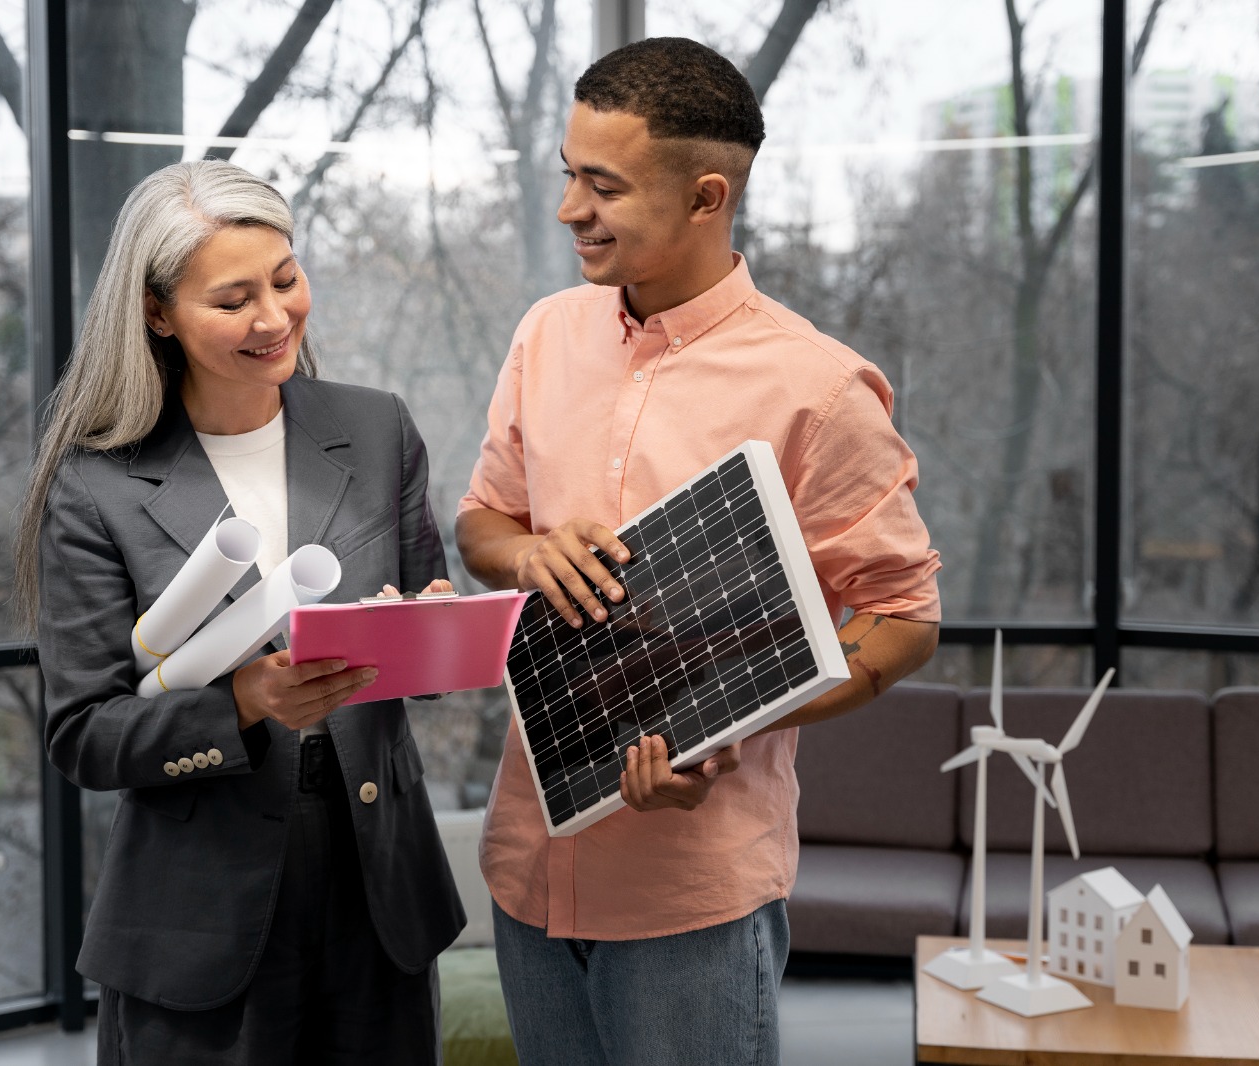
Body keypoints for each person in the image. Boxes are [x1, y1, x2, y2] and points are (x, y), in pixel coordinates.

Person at [456, 37, 942, 1065]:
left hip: (692, 897)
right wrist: (529, 555)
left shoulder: (819, 386)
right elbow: (481, 525)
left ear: (706, 196)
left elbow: (903, 618)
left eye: (602, 186)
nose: (566, 209)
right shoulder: (545, 335)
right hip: (530, 867)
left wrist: (732, 713)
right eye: (565, 175)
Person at [15, 159, 463, 1065]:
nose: (273, 317)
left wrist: (430, 630)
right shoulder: (96, 485)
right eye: (232, 300)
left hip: (378, 893)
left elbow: (430, 632)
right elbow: (86, 737)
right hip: (196, 918)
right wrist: (247, 701)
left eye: (286, 280)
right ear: (156, 312)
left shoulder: (377, 429)